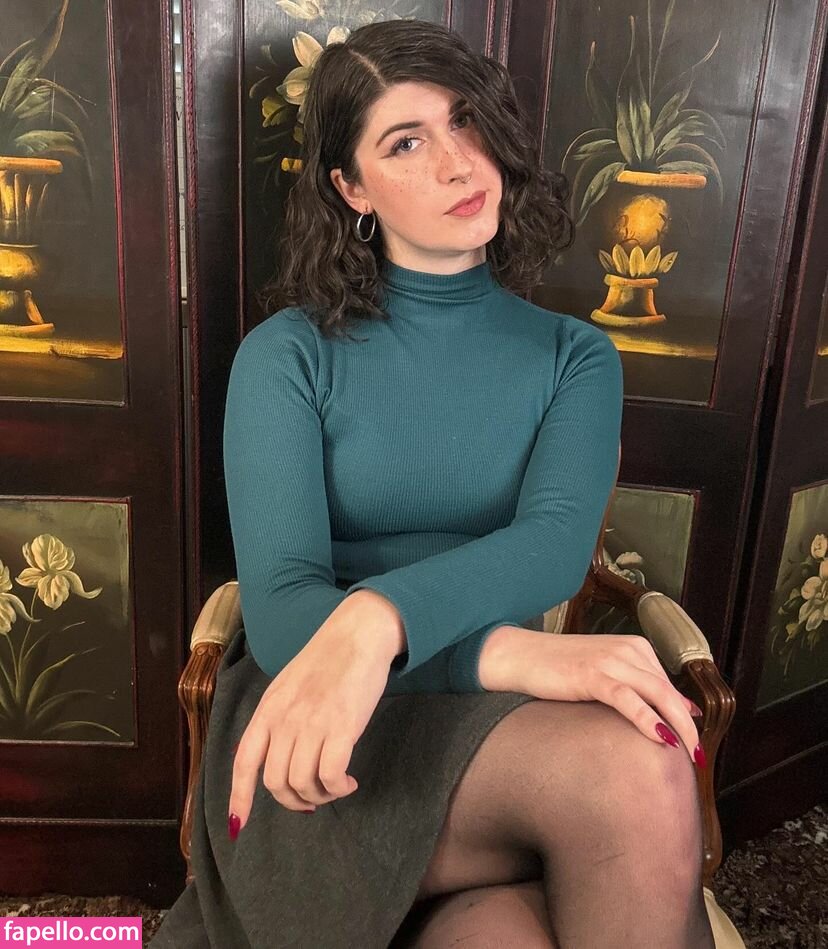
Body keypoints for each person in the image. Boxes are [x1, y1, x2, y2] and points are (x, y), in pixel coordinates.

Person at [151, 17, 715, 948]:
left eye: (464, 121)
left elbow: (552, 548)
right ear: (351, 187)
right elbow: (286, 614)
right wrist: (505, 654)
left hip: (502, 735)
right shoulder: (287, 355)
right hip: (321, 726)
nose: (458, 162)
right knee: (637, 770)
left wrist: (379, 620)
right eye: (405, 143)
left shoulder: (574, 356)